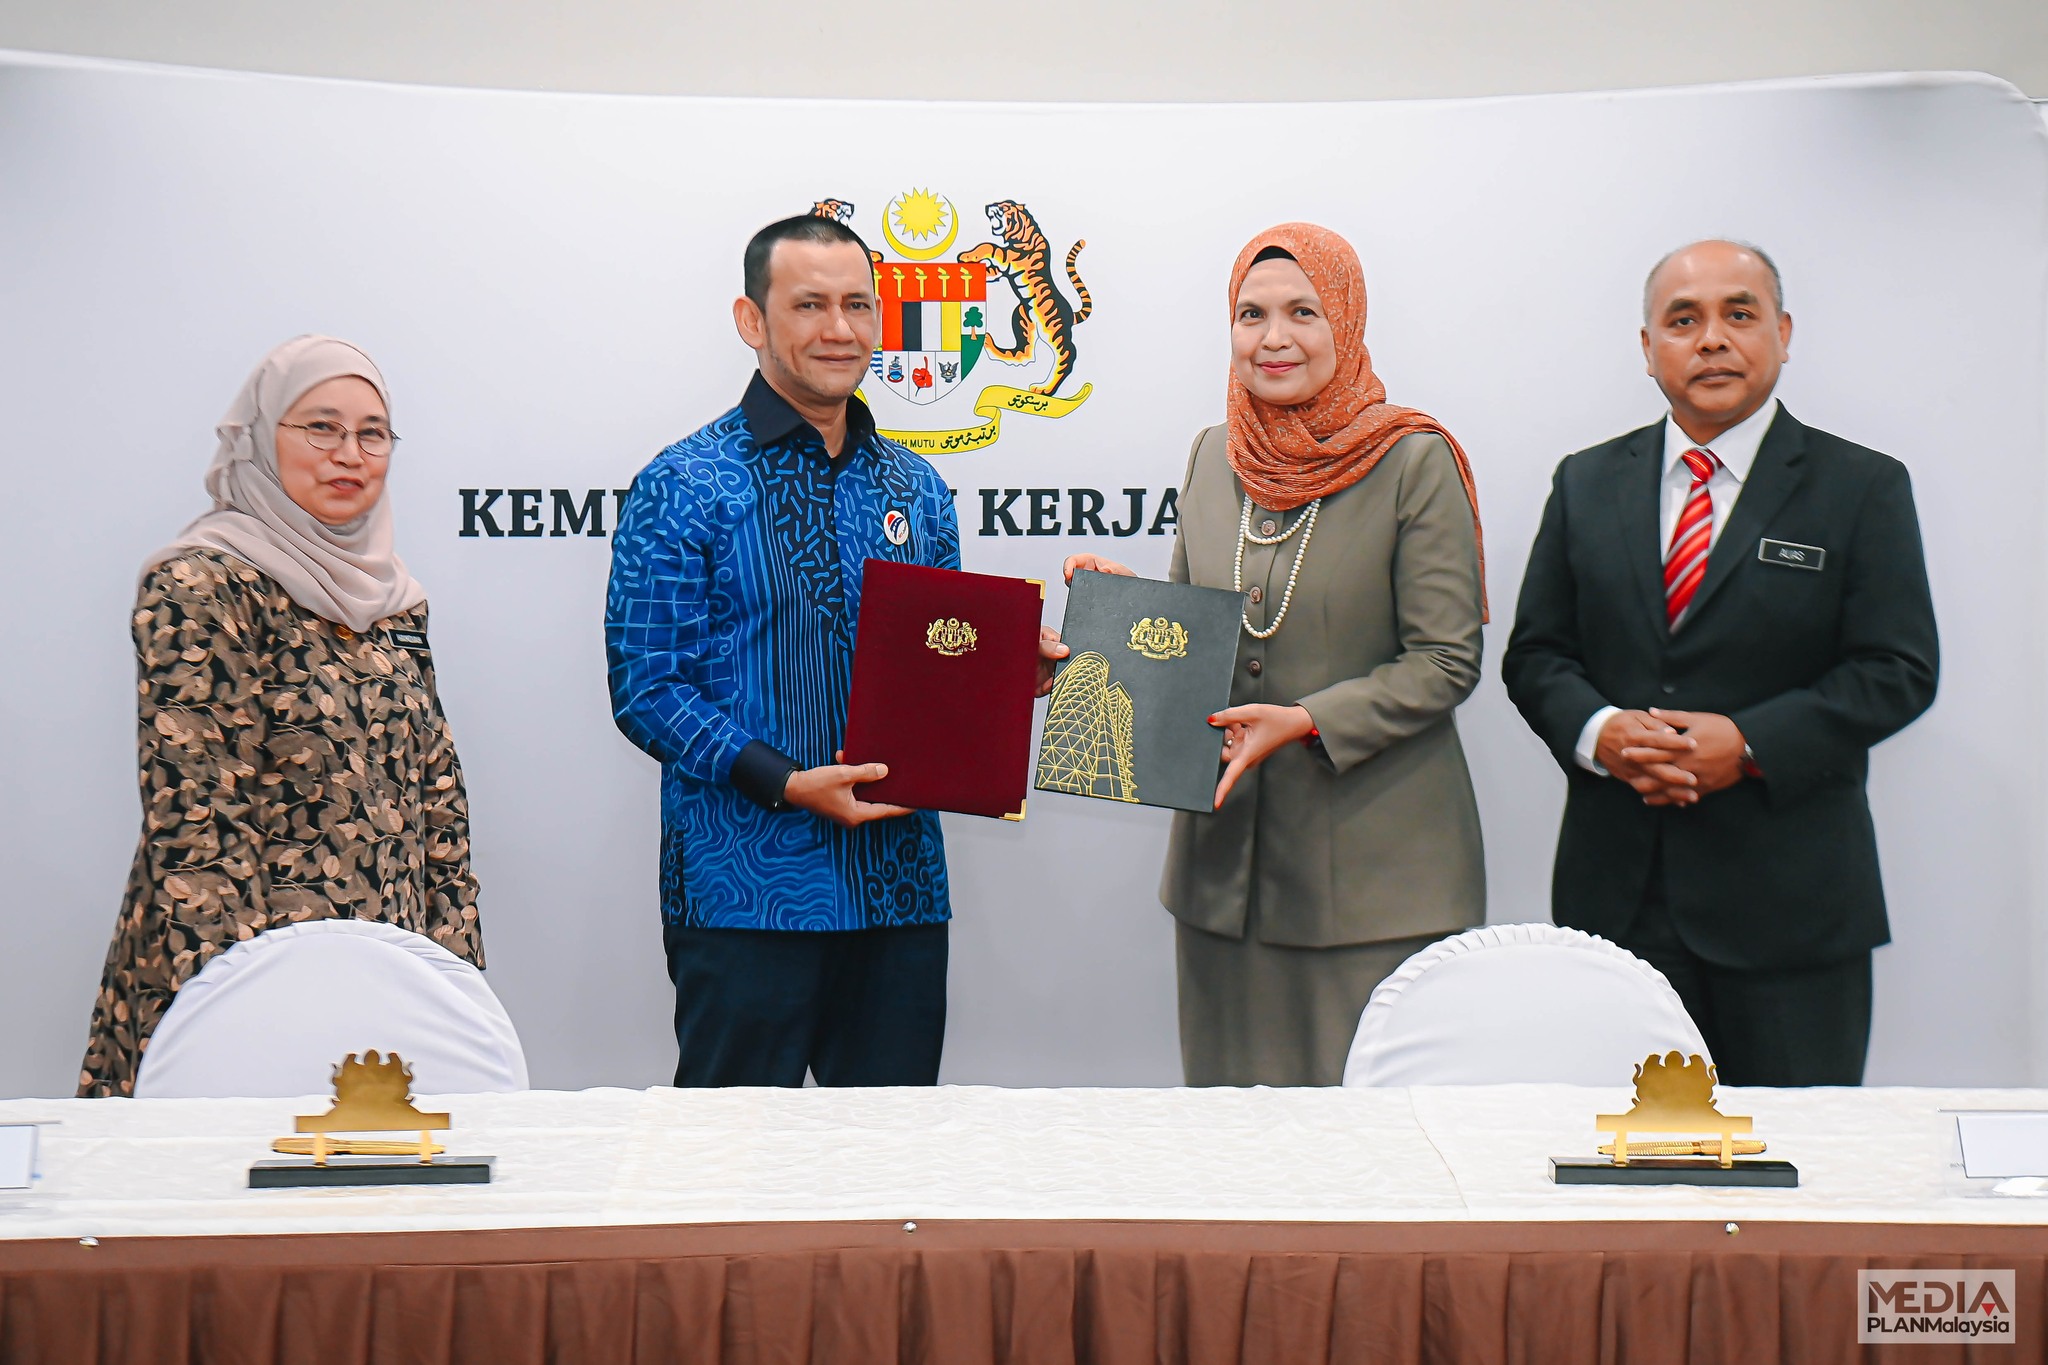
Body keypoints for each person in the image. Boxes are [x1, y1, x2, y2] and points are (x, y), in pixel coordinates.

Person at [607, 214, 1064, 1088]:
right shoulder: (684, 482)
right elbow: (648, 688)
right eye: (810, 304)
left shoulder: (915, 487)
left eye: (858, 304)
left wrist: (1007, 674)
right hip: (743, 896)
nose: (840, 328)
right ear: (751, 320)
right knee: (734, 1162)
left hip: (898, 892)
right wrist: (784, 780)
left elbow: (935, 665)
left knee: (890, 1162)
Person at [1502, 239, 1938, 1086]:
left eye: (1739, 314)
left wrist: (1748, 743)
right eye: (1683, 319)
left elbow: (1897, 668)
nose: (1711, 339)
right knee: (1619, 1155)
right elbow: (1538, 654)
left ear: (1782, 332)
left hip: (1792, 913)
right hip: (1618, 902)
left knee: (1796, 1154)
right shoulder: (1586, 482)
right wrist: (1601, 732)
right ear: (1648, 347)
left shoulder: (1861, 486)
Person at [1067, 223, 1487, 1086]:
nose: (1273, 337)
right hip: (1224, 878)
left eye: (1303, 311)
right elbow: (1195, 635)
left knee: (1359, 1140)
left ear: (1346, 320)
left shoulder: (1413, 460)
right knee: (1228, 1137)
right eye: (1251, 314)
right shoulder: (1214, 454)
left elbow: (1447, 659)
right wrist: (1125, 614)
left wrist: (1304, 720)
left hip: (1372, 882)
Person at [80, 336, 483, 1097]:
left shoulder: (393, 601)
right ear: (262, 439)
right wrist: (245, 1012)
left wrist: (453, 982)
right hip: (244, 984)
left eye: (372, 433)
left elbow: (437, 801)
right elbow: (198, 820)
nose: (350, 454)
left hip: (388, 978)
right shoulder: (201, 585)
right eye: (321, 428)